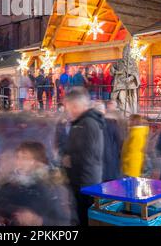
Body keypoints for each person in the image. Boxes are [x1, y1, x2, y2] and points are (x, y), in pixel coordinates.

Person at [0, 141, 76, 226]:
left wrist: (39, 221)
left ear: (37, 162)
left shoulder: (52, 188)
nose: (18, 162)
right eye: (18, 157)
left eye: (24, 158)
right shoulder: (10, 185)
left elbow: (66, 222)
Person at [64, 90, 104, 226]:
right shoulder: (80, 122)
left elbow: (89, 154)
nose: (68, 112)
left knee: (85, 218)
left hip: (86, 182)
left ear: (76, 105)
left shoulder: (88, 123)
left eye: (69, 107)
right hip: (80, 179)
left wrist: (69, 159)